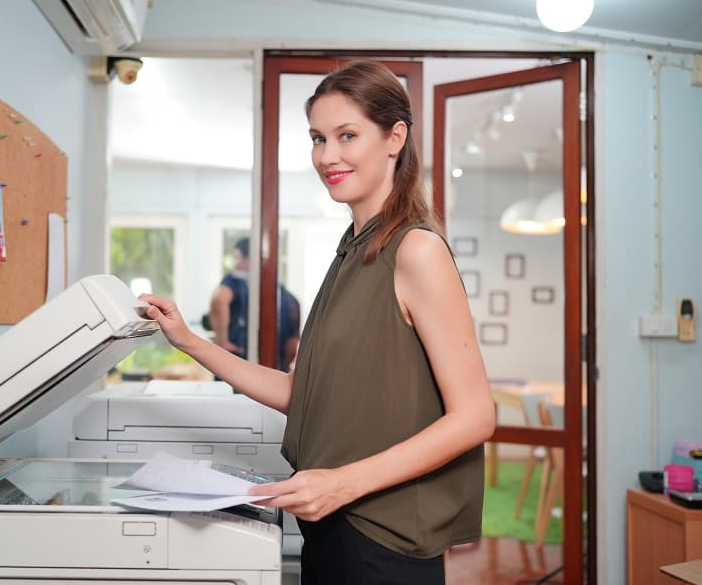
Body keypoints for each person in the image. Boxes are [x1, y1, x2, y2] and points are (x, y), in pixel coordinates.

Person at [140, 59, 495, 585]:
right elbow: (300, 394)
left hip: (381, 536)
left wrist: (343, 484)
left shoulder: (416, 249)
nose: (327, 156)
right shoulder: (353, 250)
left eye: (347, 135)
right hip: (331, 523)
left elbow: (475, 417)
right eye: (317, 139)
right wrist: (190, 341)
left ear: (395, 138)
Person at [208, 237, 300, 372]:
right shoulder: (287, 297)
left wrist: (222, 341)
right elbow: (292, 345)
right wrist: (284, 372)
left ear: (248, 259)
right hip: (272, 371)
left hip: (235, 366)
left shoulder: (234, 282)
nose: (236, 264)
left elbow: (220, 299)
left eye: (237, 258)